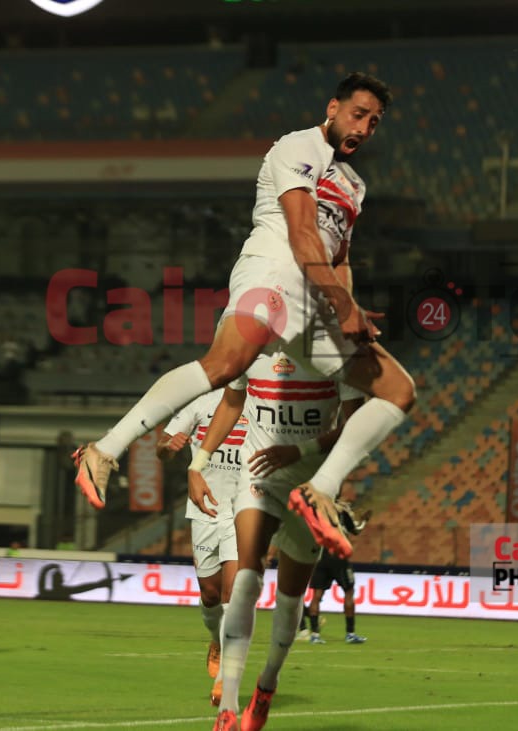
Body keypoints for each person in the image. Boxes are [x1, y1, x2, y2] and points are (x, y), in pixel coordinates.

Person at [73, 72, 414, 563]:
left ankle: (319, 490)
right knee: (225, 365)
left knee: (398, 390)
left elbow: (339, 257)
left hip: (316, 297)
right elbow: (301, 232)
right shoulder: (297, 147)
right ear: (333, 108)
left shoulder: (354, 184)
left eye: (374, 122)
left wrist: (346, 306)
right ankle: (105, 449)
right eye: (358, 114)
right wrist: (343, 305)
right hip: (273, 273)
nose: (364, 127)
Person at [190, 350, 363, 731]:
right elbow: (231, 402)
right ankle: (227, 708)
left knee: (290, 597)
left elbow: (356, 426)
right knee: (246, 578)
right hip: (258, 477)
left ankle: (267, 683)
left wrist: (300, 450)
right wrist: (197, 464)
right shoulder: (249, 340)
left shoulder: (337, 350)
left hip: (311, 488)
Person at [157, 390, 248, 706]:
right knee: (210, 595)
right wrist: (169, 447)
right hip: (205, 509)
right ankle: (215, 641)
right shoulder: (200, 405)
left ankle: (225, 679)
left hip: (243, 509)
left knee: (232, 596)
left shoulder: (262, 403)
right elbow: (162, 448)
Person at [299, 505, 371, 645]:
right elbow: (355, 530)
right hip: (339, 558)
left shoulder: (318, 511)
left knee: (316, 596)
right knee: (349, 592)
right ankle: (350, 634)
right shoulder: (342, 512)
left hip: (322, 558)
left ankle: (315, 635)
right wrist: (363, 521)